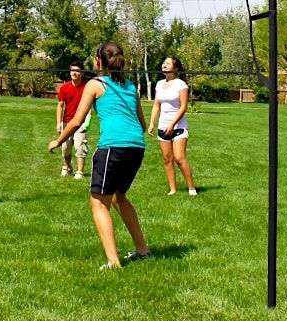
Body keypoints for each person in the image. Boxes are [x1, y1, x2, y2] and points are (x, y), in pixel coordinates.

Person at [49, 42, 151, 270]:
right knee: (118, 197)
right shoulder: (130, 85)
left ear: (98, 61)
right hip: (136, 146)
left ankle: (114, 262)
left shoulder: (95, 84)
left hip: (112, 147)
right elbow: (142, 124)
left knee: (98, 202)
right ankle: (143, 250)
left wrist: (58, 140)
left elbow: (76, 120)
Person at [148, 56, 197, 196]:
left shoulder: (181, 84)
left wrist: (172, 125)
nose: (164, 65)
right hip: (163, 127)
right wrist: (152, 123)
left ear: (175, 68)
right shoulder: (159, 84)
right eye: (163, 63)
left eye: (167, 63)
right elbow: (156, 105)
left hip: (179, 127)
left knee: (180, 158)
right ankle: (173, 189)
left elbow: (183, 107)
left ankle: (191, 188)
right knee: (167, 159)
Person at [56, 61, 91, 179]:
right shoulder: (64, 87)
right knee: (65, 147)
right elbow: (60, 106)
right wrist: (59, 123)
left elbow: (90, 106)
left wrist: (87, 121)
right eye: (72, 70)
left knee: (80, 146)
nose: (74, 73)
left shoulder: (87, 87)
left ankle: (80, 171)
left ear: (82, 73)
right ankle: (68, 167)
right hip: (67, 122)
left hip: (80, 122)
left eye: (77, 70)